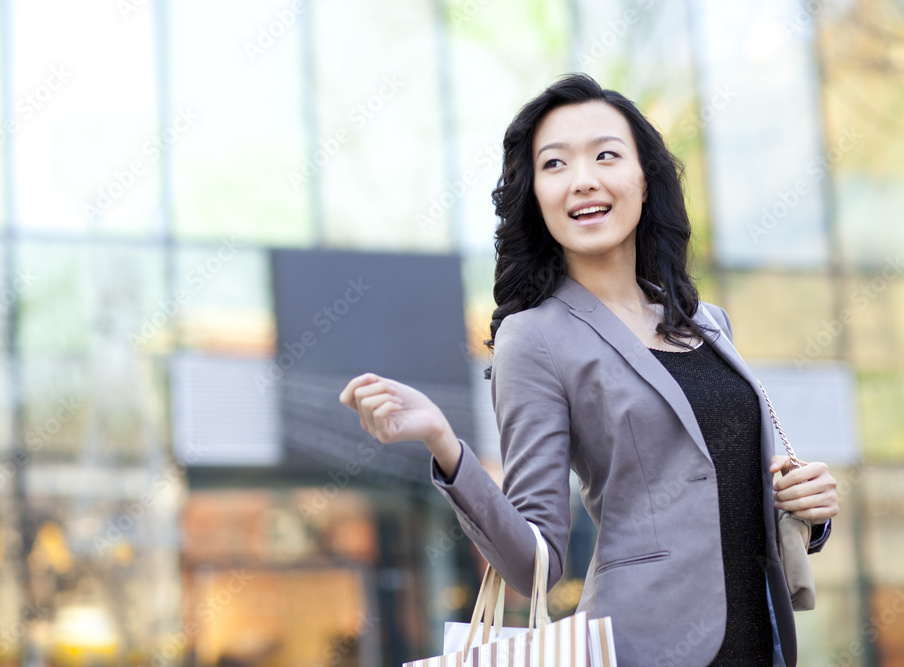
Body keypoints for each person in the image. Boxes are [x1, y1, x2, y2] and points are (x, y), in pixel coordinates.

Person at [338, 73, 839, 666]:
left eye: (606, 155)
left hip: (763, 643)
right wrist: (445, 445)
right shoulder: (536, 336)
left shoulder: (708, 323)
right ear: (537, 196)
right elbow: (534, 564)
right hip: (642, 647)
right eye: (555, 165)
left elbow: (727, 501)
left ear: (645, 179)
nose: (583, 181)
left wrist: (805, 511)